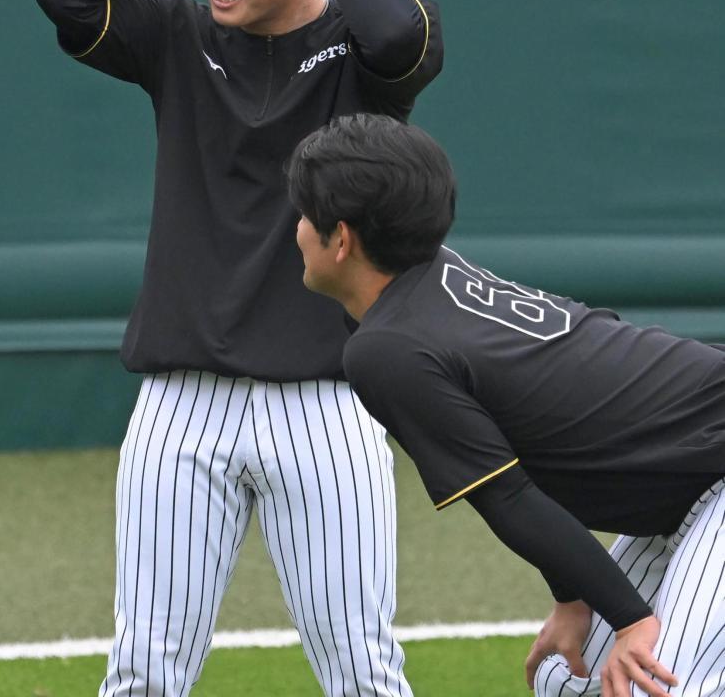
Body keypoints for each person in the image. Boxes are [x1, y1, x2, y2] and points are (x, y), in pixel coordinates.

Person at [34, 0, 443, 697]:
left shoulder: (363, 53)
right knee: (142, 672)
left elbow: (402, 37)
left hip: (327, 407)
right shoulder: (176, 35)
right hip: (181, 409)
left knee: (363, 672)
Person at [286, 113, 725, 697]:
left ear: (340, 240)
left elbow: (508, 496)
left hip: (710, 469)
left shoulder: (387, 347)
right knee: (564, 682)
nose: (296, 228)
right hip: (689, 485)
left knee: (661, 687)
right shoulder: (430, 279)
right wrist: (574, 598)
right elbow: (524, 467)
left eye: (305, 216)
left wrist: (631, 619)